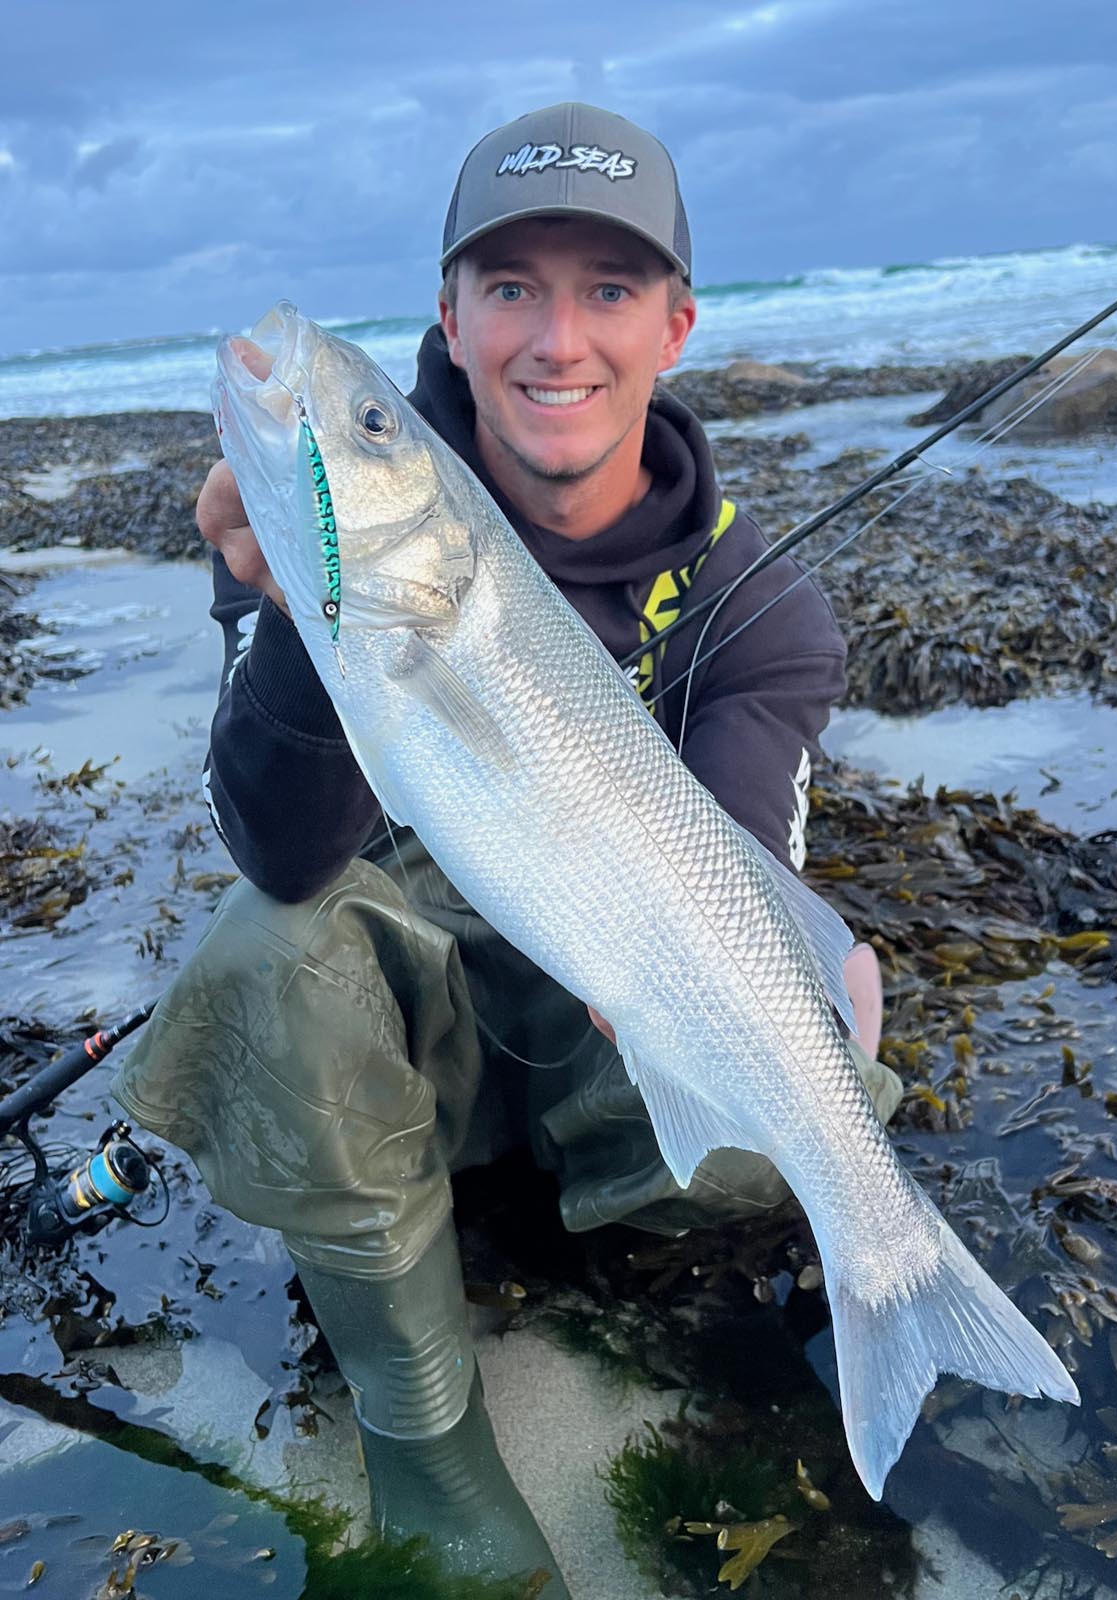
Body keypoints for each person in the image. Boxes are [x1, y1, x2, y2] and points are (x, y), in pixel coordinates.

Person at [114, 103, 902, 1596]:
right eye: (512, 287)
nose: (560, 339)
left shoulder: (769, 609)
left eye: (607, 289)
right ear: (451, 317)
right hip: (419, 1043)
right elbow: (283, 854)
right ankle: (431, 1447)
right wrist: (292, 618)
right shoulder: (316, 535)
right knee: (263, 951)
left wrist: (803, 965)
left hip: (611, 1023)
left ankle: (837, 1271)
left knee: (821, 1079)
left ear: (675, 324)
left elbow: (738, 860)